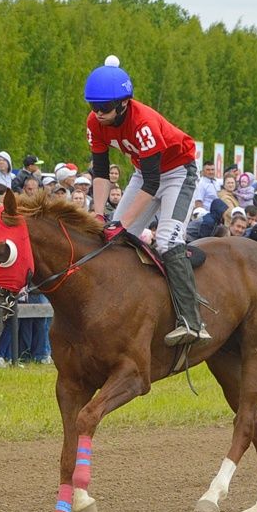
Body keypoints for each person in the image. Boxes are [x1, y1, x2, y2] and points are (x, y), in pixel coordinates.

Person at [84, 55, 211, 345]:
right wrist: (101, 215)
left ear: (123, 103)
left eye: (104, 108)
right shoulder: (95, 123)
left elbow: (155, 184)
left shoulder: (144, 123)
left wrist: (124, 222)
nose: (98, 113)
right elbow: (101, 172)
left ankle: (192, 321)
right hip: (144, 174)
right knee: (112, 237)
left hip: (178, 173)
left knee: (166, 240)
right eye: (93, 106)